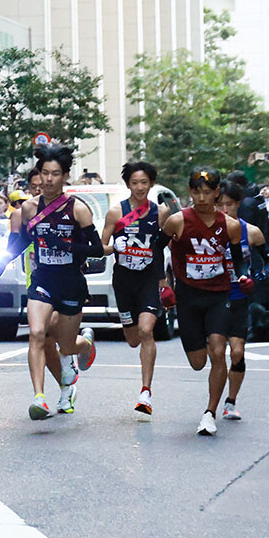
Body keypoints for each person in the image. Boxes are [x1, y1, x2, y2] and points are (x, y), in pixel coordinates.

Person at [0, 143, 96, 420]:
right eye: (44, 173)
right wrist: (3, 261)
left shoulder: (78, 209)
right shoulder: (28, 209)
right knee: (37, 334)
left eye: (55, 174)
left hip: (70, 282)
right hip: (42, 280)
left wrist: (64, 247)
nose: (48, 179)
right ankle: (39, 397)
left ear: (65, 176)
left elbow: (96, 249)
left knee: (65, 346)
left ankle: (84, 345)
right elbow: (24, 241)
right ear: (38, 175)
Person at [153, 168, 250, 437]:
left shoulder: (229, 225)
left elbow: (237, 258)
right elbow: (155, 249)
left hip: (218, 294)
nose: (203, 197)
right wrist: (164, 284)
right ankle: (206, 345)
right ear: (190, 192)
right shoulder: (177, 221)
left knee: (219, 351)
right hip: (188, 296)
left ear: (217, 193)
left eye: (208, 192)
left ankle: (210, 412)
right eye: (197, 192)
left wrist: (242, 275)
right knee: (198, 362)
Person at [101, 160, 169, 417]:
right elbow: (102, 245)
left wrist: (165, 280)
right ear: (127, 184)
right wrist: (114, 247)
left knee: (146, 330)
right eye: (134, 183)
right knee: (132, 340)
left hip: (148, 279)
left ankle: (145, 392)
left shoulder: (160, 212)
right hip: (123, 280)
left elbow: (169, 243)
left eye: (144, 183)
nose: (140, 188)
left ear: (151, 183)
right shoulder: (116, 212)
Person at [217, 180, 268, 422]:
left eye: (230, 205)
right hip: (212, 296)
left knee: (237, 352)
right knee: (214, 353)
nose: (225, 210)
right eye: (220, 205)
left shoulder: (252, 232)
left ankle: (231, 401)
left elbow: (268, 259)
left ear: (238, 204)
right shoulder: (206, 230)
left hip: (238, 296)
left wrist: (256, 276)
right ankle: (213, 399)